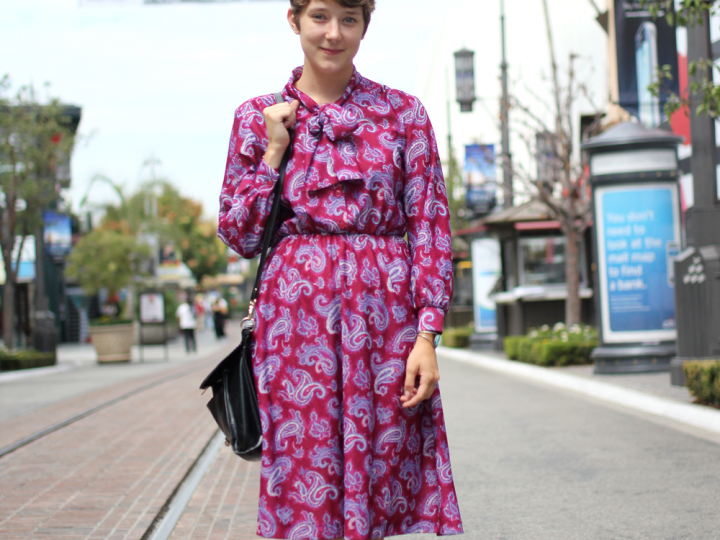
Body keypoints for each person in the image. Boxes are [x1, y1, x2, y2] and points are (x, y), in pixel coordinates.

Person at [217, 1, 464, 538]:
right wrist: (273, 154)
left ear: (364, 26)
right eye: (320, 17)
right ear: (294, 21)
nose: (334, 33)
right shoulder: (256, 117)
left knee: (384, 464)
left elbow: (430, 227)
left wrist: (427, 335)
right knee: (303, 472)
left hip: (385, 321)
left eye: (349, 19)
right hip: (295, 327)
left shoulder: (403, 113)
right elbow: (239, 236)